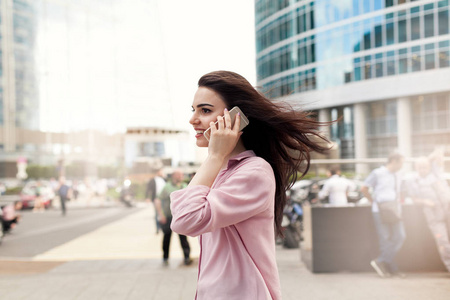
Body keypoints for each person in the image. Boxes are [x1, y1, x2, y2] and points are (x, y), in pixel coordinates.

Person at [169, 71, 330, 299]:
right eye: (193, 110)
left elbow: (186, 220)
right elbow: (183, 215)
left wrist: (214, 156)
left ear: (236, 117)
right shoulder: (221, 172)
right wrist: (215, 159)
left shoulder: (254, 172)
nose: (193, 119)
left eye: (205, 110)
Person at [361, 153, 406, 278]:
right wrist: (373, 201)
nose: (402, 165)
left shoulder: (398, 175)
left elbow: (399, 191)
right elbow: (364, 188)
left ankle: (380, 260)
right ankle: (392, 268)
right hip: (380, 209)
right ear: (393, 161)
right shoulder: (378, 173)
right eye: (401, 162)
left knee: (400, 236)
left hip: (395, 209)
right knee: (385, 238)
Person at [404, 155, 450, 271]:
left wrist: (427, 160)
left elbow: (438, 154)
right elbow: (414, 199)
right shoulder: (412, 180)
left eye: (425, 166)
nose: (423, 169)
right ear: (415, 167)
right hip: (433, 213)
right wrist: (425, 201)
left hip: (447, 207)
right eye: (420, 167)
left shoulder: (436, 173)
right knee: (442, 241)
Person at [154, 169, 192, 266]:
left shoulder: (184, 186)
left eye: (182, 174)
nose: (181, 176)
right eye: (179, 174)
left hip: (181, 217)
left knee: (183, 238)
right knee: (167, 238)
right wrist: (160, 214)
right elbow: (157, 200)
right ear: (173, 176)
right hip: (168, 217)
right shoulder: (166, 187)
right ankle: (165, 257)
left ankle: (187, 257)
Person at [145, 168, 166, 234]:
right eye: (161, 171)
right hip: (156, 199)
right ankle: (158, 228)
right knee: (157, 214)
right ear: (157, 172)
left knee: (164, 214)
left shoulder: (164, 179)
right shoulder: (153, 180)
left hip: (164, 199)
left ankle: (163, 227)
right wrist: (147, 197)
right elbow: (148, 189)